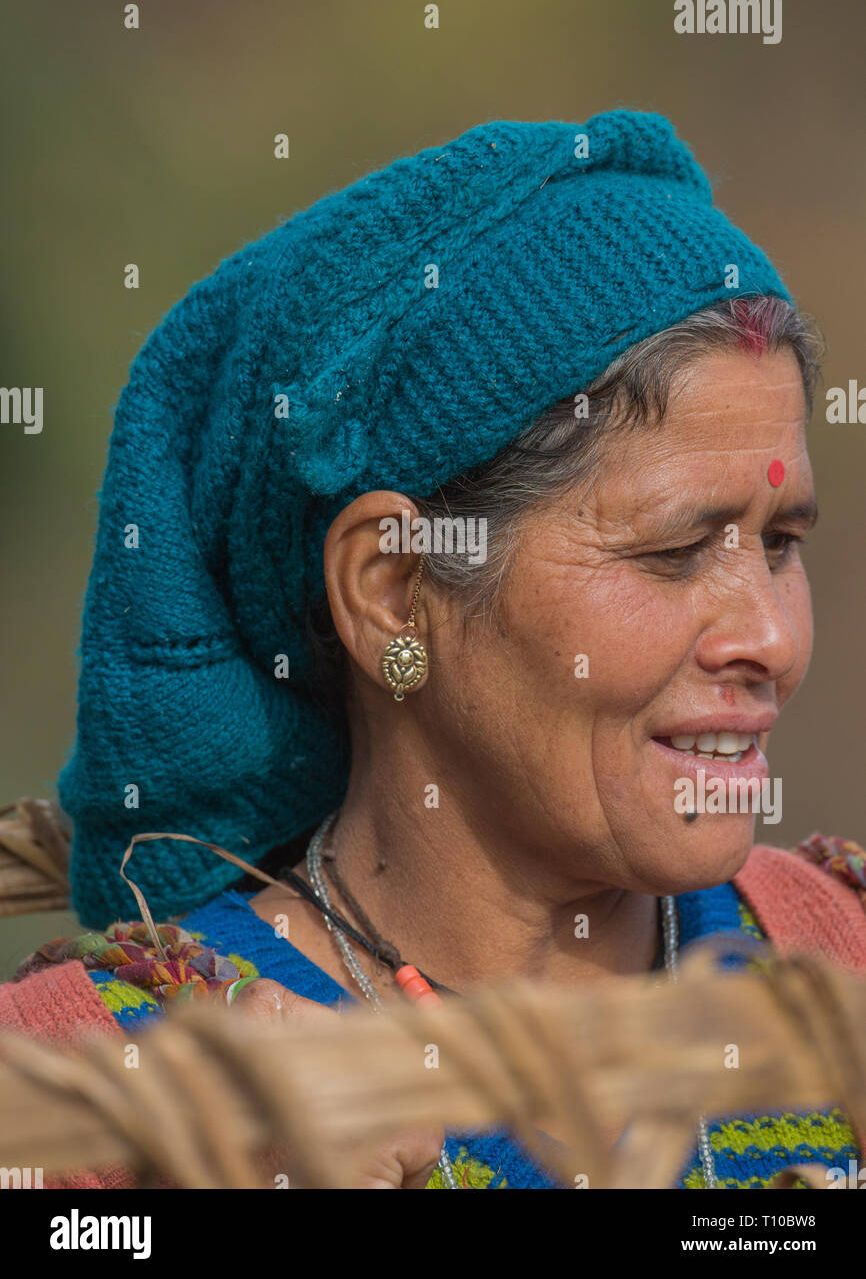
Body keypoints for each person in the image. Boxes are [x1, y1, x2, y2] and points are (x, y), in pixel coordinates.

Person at [2, 111, 865, 1190]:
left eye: (778, 544)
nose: (772, 639)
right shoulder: (101, 1108)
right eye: (675, 550)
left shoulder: (831, 972)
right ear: (394, 592)